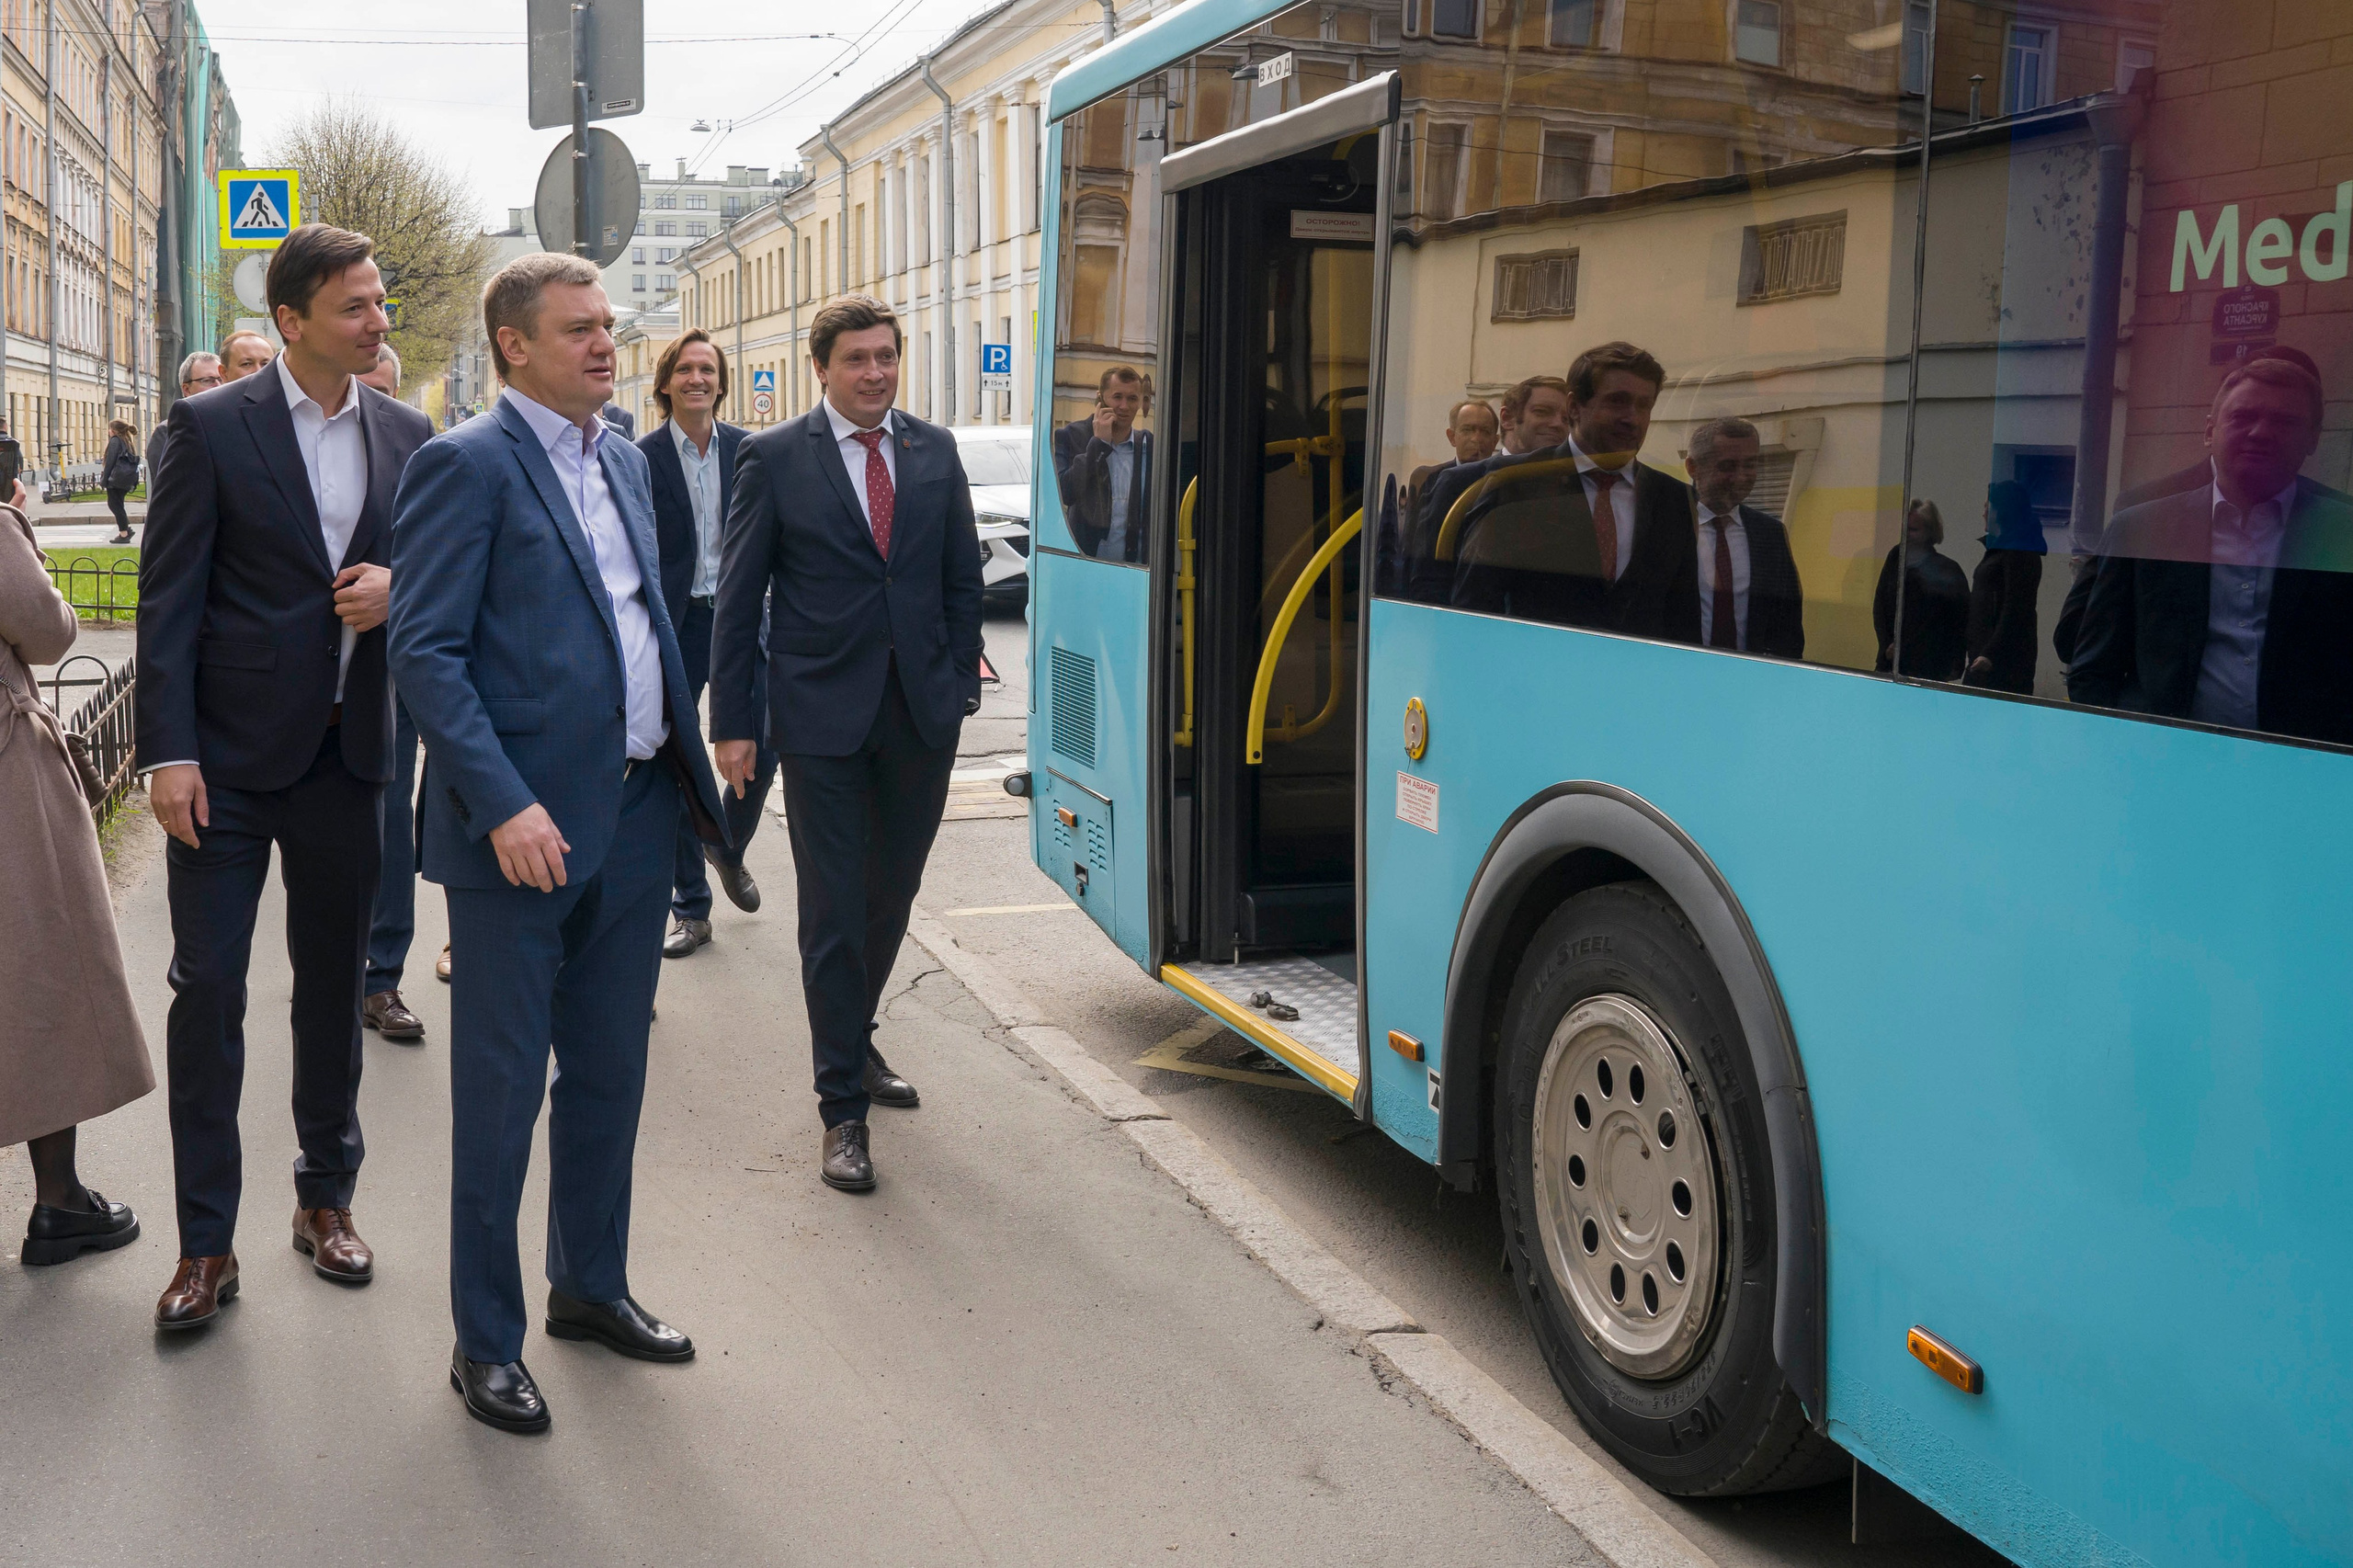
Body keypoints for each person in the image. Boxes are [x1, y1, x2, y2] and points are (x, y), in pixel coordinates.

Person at [389, 251, 729, 1433]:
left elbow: (644, 617)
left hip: (635, 818)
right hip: (519, 838)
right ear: (514, 346)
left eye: (610, 326)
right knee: (497, 1096)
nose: (605, 344)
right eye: (579, 329)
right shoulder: (465, 465)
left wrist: (689, 756)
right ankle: (485, 1342)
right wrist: (504, 802)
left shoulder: (625, 460)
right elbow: (424, 651)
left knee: (609, 1076)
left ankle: (589, 1285)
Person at [134, 223, 430, 1329]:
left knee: (329, 987)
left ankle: (325, 1198)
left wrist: (399, 587)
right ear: (294, 320)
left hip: (349, 757)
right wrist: (167, 751)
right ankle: (204, 1244)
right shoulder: (210, 426)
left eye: (381, 301)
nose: (378, 320)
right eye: (356, 306)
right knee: (207, 989)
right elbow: (167, 600)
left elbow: (441, 574)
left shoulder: (408, 430)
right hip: (221, 764)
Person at [710, 293, 983, 1194]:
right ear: (819, 368)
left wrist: (950, 680)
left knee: (889, 894)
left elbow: (959, 579)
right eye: (857, 359)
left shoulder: (932, 451)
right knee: (831, 911)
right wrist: (736, 724)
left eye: (887, 356)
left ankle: (855, 1042)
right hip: (819, 720)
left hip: (919, 717)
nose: (875, 372)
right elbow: (739, 597)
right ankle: (841, 1111)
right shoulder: (774, 457)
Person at [3, 482, 153, 1265]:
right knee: (39, 970)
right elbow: (51, 631)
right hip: (6, 787)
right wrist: (17, 527)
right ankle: (59, 1201)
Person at [2065, 357, 2353, 745]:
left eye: (2285, 421)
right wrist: (2123, 751)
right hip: (2165, 766)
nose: (2261, 432)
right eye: (2242, 416)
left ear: (2313, 437)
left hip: (2301, 775)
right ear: (2209, 430)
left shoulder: (2342, 531)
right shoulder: (2142, 527)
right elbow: (2092, 668)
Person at [637, 327, 770, 960]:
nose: (698, 379)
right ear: (666, 383)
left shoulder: (750, 450)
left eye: (708, 370)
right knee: (681, 763)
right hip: (678, 621)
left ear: (721, 382)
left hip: (743, 620)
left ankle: (725, 845)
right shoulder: (640, 457)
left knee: (765, 740)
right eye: (686, 370)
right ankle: (691, 909)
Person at [1444, 343, 1700, 641]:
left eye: (1644, 405)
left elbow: (1683, 620)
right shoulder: (1516, 485)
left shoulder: (1674, 499)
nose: (1633, 418)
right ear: (1574, 407)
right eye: (1618, 401)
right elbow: (1474, 611)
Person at [356, 341, 428, 1041]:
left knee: (390, 817)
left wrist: (396, 586)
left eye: (385, 393)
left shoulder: (420, 445)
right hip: (300, 673)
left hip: (395, 665)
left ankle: (382, 978)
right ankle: (331, 971)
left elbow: (447, 556)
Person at [1407, 375, 1574, 602]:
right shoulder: (1458, 483)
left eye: (1566, 418)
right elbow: (1429, 581)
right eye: (1543, 412)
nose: (1558, 424)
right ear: (1507, 419)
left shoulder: (1573, 484)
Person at [1683, 415, 1804, 658]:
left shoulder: (1770, 534)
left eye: (1750, 465)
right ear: (1693, 468)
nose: (1741, 477)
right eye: (1727, 466)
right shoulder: (1668, 525)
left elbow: (1787, 621)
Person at [1052, 365, 1153, 562]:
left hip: (1138, 569)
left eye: (1132, 399)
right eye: (1117, 397)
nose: (1124, 406)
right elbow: (1066, 492)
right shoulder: (1072, 436)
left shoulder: (1148, 444)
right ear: (1100, 399)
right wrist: (1098, 445)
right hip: (1089, 564)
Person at [1871, 500, 1970, 679]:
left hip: (1928, 667)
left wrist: (1953, 665)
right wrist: (1887, 646)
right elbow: (1880, 606)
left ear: (1930, 532)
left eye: (1914, 530)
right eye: (1906, 528)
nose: (1907, 535)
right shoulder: (1896, 557)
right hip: (1892, 662)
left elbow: (1958, 623)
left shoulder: (1947, 570)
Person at [1962, 479, 2044, 693]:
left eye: (1987, 507)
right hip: (1984, 659)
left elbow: (2016, 606)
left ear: (2002, 512)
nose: (1983, 513)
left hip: (1999, 666)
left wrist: (1991, 653)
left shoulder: (2020, 553)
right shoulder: (2003, 549)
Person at [149, 354, 224, 485]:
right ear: (186, 389)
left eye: (222, 379)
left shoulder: (234, 426)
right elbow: (171, 489)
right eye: (208, 380)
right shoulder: (167, 431)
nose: (218, 385)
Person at [101, 419, 139, 541]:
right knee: (118, 504)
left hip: (116, 479)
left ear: (114, 430)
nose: (108, 431)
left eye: (110, 428)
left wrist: (104, 479)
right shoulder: (126, 440)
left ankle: (124, 534)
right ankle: (126, 529)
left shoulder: (115, 441)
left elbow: (110, 462)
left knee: (115, 505)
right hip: (125, 478)